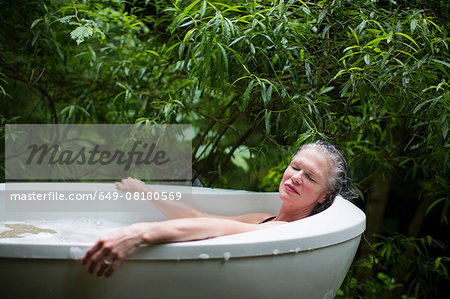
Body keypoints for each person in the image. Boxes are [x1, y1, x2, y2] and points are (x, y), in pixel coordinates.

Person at [81, 140, 356, 277]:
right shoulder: (264, 219)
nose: (296, 177)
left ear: (325, 196)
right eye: (295, 167)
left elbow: (210, 228)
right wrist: (148, 193)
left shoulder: (285, 230)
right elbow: (199, 217)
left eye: (310, 177)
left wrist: (138, 233)